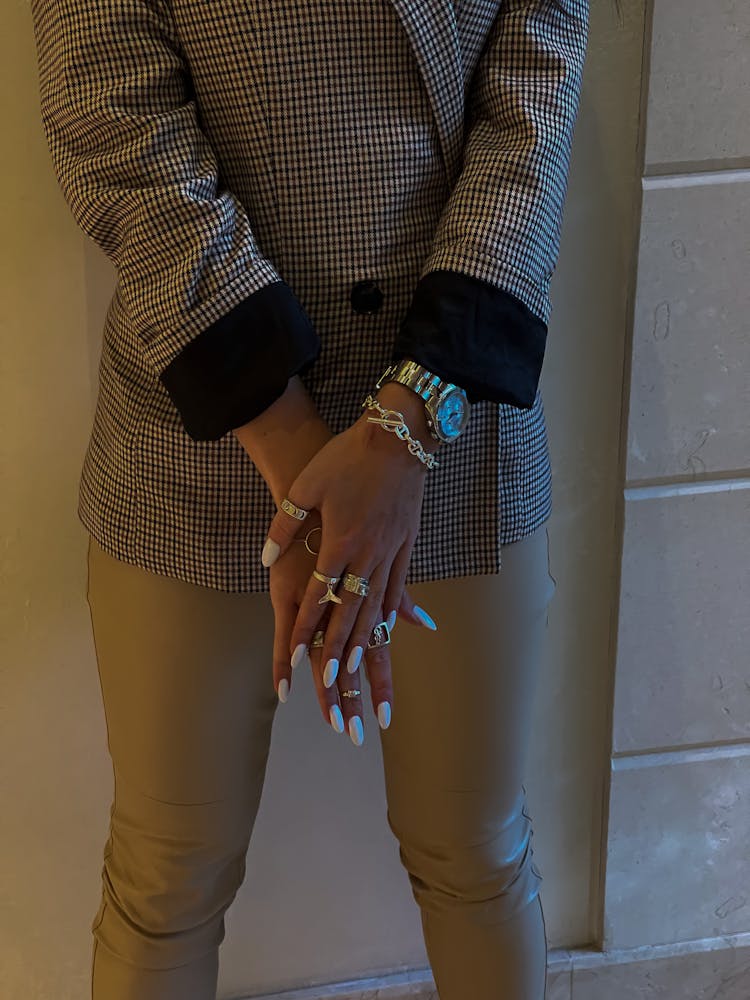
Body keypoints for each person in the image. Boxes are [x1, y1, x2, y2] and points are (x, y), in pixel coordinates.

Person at [30, 1, 588, 997]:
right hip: (196, 428)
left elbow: (533, 99)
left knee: (477, 854)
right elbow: (114, 123)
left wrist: (409, 422)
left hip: (455, 423)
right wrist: (293, 445)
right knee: (167, 879)